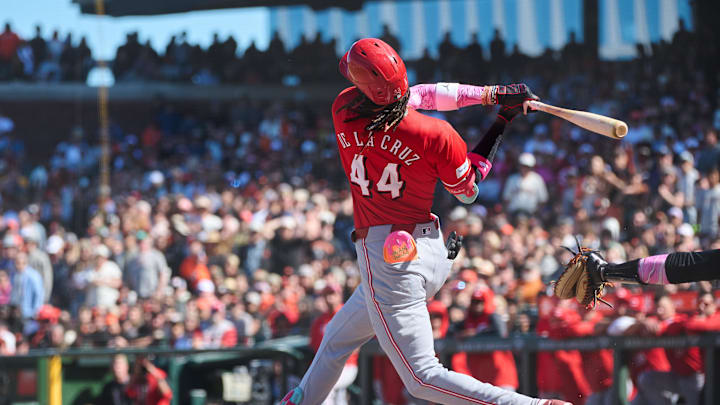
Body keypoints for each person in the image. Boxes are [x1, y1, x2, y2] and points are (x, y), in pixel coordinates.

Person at [280, 37, 568, 405]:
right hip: (430, 252)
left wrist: (497, 101)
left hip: (389, 259)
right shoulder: (437, 134)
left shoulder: (343, 108)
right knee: (336, 338)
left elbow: (412, 98)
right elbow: (468, 191)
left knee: (421, 378)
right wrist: (499, 114)